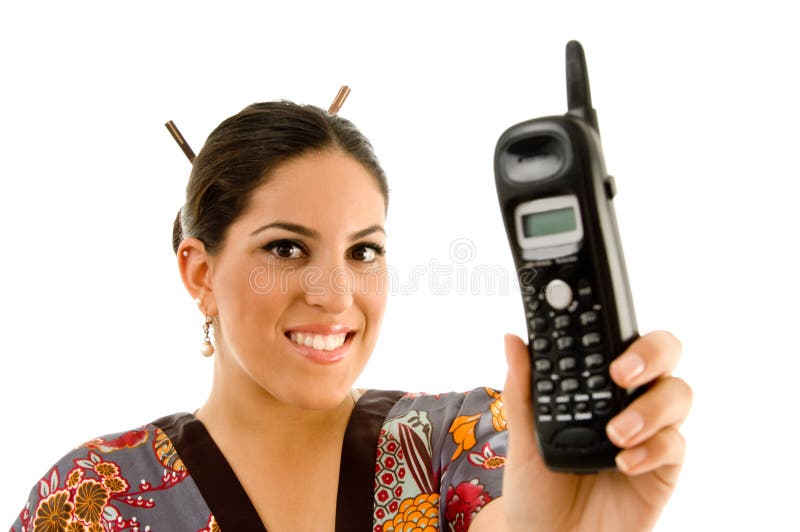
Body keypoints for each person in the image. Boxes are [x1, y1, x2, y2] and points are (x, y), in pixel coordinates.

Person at [9, 100, 692, 532]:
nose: (336, 296)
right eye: (286, 247)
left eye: (364, 250)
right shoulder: (89, 498)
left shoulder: (469, 445)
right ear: (200, 271)